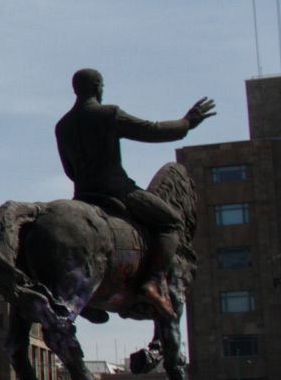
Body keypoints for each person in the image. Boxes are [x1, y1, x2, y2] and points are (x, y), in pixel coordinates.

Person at [54, 68, 214, 320]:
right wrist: (186, 123)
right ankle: (153, 280)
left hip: (84, 195)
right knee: (171, 221)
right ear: (98, 87)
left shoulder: (62, 126)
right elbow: (152, 130)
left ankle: (89, 298)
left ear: (75, 89)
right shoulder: (108, 114)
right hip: (118, 190)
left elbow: (69, 170)